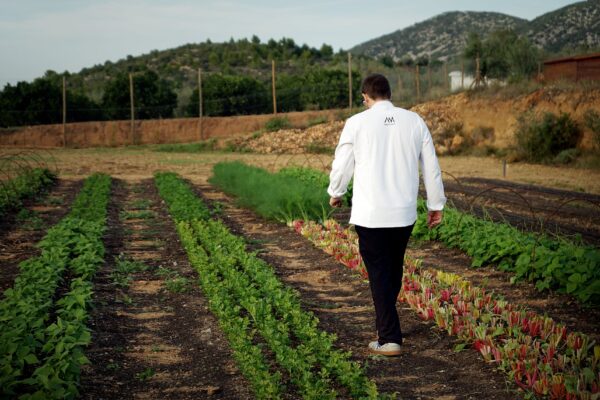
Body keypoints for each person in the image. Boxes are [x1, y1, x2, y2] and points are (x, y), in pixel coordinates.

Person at [327, 73, 446, 356]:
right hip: (403, 213)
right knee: (392, 270)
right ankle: (385, 328)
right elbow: (431, 166)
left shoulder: (356, 123)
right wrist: (435, 204)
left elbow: (343, 162)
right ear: (389, 94)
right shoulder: (414, 121)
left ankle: (390, 338)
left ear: (365, 97)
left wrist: (336, 191)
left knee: (380, 273)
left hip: (370, 214)